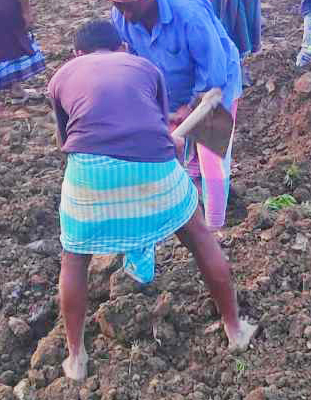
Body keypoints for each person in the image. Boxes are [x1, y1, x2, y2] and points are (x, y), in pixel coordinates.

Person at [48, 19, 256, 380]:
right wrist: (173, 146)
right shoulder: (145, 67)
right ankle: (235, 329)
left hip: (89, 173)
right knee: (200, 237)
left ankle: (76, 357)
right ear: (122, 49)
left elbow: (65, 142)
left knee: (74, 259)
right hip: (152, 166)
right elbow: (162, 136)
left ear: (76, 54)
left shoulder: (61, 77)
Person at [105, 0, 242, 232]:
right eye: (119, 7)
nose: (126, 15)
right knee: (183, 155)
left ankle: (217, 228)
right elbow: (132, 62)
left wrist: (192, 107)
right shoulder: (120, 15)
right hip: (171, 91)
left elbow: (213, 69)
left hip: (214, 88)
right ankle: (188, 211)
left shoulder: (188, 12)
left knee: (212, 156)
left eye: (130, 7)